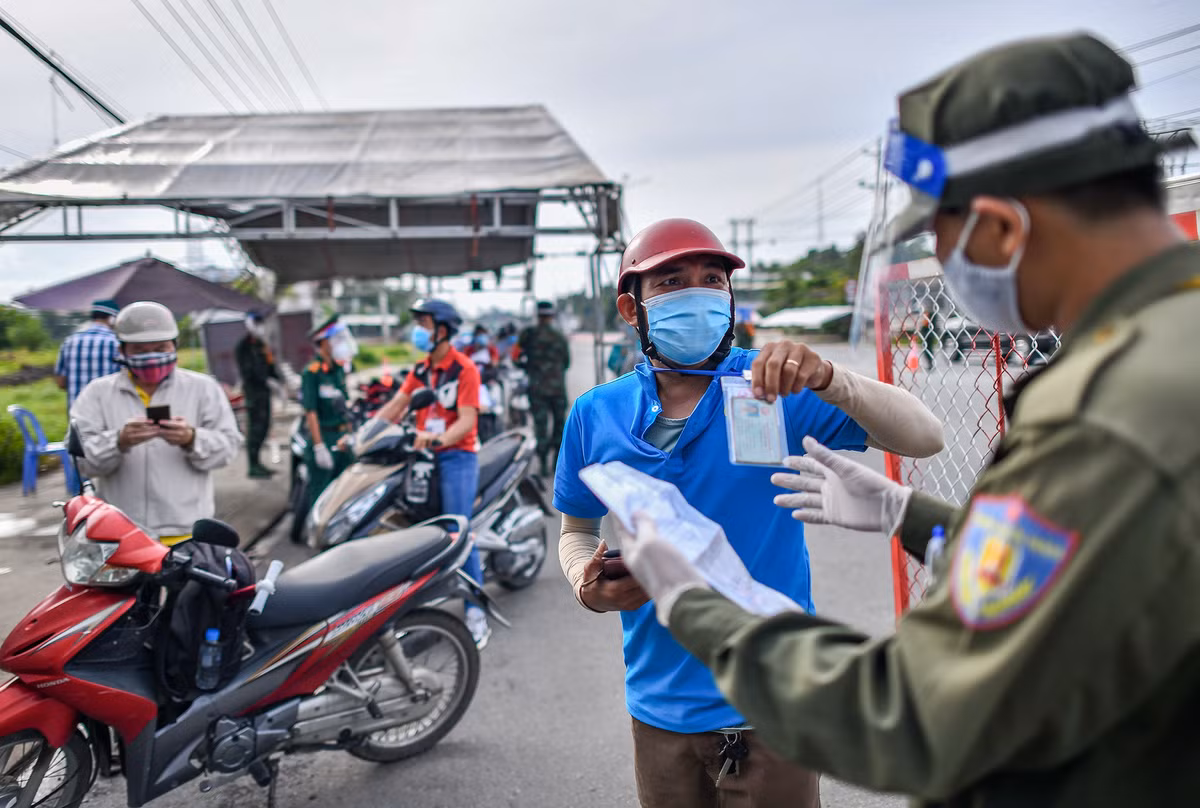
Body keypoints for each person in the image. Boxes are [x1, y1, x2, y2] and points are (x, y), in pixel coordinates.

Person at [615, 33, 1200, 807]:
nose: (943, 257)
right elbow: (1101, 569)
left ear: (999, 227)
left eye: (940, 232)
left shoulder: (1109, 414)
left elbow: (917, 715)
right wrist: (913, 515)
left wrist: (709, 612)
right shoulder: (1169, 348)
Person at [553, 217, 944, 808]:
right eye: (671, 282)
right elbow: (576, 530)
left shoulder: (773, 384)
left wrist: (835, 380)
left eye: (713, 279)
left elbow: (925, 437)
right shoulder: (596, 413)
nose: (698, 293)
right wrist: (587, 582)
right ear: (632, 310)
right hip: (658, 707)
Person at [367, 299, 490, 647]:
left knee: (458, 530)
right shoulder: (420, 370)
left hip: (456, 458)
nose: (418, 331)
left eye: (424, 324)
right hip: (423, 458)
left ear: (442, 330)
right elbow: (395, 406)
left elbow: (467, 420)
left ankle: (475, 610)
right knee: (419, 527)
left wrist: (438, 438)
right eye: (418, 324)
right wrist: (364, 434)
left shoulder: (465, 369)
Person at [71, 301, 242, 544]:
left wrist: (192, 439)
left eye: (160, 348)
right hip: (121, 534)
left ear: (175, 346)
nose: (151, 357)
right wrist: (119, 441)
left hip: (188, 531)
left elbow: (228, 448)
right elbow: (80, 460)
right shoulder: (97, 394)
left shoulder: (203, 389)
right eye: (140, 350)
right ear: (122, 351)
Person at [300, 315, 355, 511]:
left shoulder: (338, 369)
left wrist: (350, 433)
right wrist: (319, 446)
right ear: (323, 342)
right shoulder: (312, 372)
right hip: (324, 436)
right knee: (321, 495)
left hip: (342, 438)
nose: (341, 343)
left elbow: (345, 406)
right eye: (336, 339)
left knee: (344, 491)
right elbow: (311, 411)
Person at [518, 300, 570, 476]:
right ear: (552, 315)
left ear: (538, 315)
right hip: (557, 389)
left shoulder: (528, 335)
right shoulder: (559, 336)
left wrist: (529, 368)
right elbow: (566, 363)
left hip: (537, 388)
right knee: (559, 426)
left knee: (540, 427)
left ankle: (541, 464)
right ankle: (556, 463)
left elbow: (515, 357)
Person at [54, 298, 121, 411]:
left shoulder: (69, 342)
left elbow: (61, 382)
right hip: (108, 413)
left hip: (76, 413)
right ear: (112, 319)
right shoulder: (116, 343)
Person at [235, 310, 279, 479]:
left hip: (264, 392)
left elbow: (270, 364)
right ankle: (253, 465)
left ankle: (259, 463)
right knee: (255, 429)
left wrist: (276, 379)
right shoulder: (243, 347)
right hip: (253, 394)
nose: (261, 327)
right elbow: (248, 371)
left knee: (265, 426)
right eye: (257, 323)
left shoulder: (261, 344)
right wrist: (265, 380)